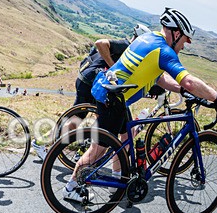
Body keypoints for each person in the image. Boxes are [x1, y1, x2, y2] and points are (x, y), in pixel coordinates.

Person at [63, 8, 217, 202]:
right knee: (98, 150)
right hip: (113, 99)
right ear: (176, 34)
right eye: (185, 40)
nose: (184, 46)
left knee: (127, 137)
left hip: (115, 96)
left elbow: (160, 79)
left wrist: (183, 90)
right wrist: (216, 97)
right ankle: (71, 187)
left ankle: (118, 181)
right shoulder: (164, 51)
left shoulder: (149, 39)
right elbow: (189, 81)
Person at [31, 24, 150, 161]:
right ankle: (42, 143)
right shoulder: (126, 45)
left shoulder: (128, 49)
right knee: (76, 120)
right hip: (89, 83)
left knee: (95, 118)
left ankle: (83, 150)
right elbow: (99, 43)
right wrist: (112, 67)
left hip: (89, 80)